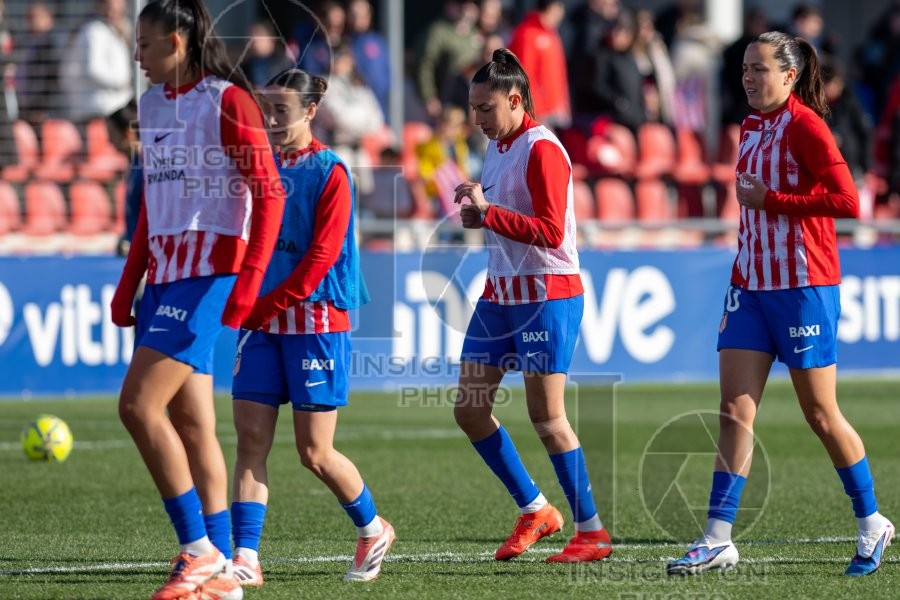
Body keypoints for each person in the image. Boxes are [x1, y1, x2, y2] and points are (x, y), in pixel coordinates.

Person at [666, 32, 894, 577]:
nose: (748, 77)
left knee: (820, 413)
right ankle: (718, 537)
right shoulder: (749, 125)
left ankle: (872, 522)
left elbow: (848, 202)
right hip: (750, 287)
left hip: (803, 287)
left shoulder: (807, 126)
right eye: (745, 67)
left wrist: (773, 201)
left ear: (789, 76)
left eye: (760, 69)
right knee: (734, 411)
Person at [110, 1, 285, 598]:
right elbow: (150, 208)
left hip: (209, 276)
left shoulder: (228, 101)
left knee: (136, 407)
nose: (137, 56)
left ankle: (198, 550)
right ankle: (226, 574)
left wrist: (248, 285)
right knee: (190, 422)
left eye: (146, 44)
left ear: (179, 41)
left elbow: (269, 196)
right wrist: (128, 281)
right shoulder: (150, 105)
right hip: (162, 279)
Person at [228, 68, 393, 586]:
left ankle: (372, 528)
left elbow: (322, 257)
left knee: (314, 453)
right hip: (262, 323)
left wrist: (266, 303)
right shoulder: (259, 166)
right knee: (250, 440)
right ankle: (246, 558)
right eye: (266, 111)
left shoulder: (331, 172)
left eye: (281, 111)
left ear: (309, 111)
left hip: (314, 322)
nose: (272, 121)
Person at [452, 48, 612, 564]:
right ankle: (536, 509)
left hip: (546, 292)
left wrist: (490, 212)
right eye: (473, 108)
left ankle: (592, 532)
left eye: (484, 107)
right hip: (501, 292)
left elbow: (550, 232)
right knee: (470, 409)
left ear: (515, 100)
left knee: (547, 416)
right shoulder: (498, 147)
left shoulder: (543, 148)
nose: (476, 118)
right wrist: (482, 218)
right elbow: (507, 219)